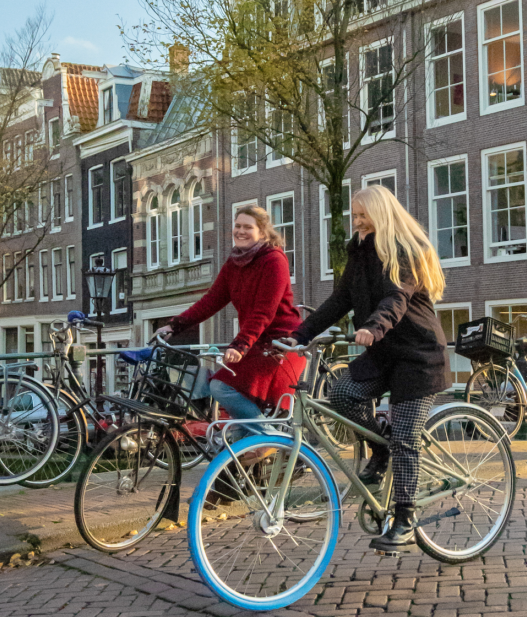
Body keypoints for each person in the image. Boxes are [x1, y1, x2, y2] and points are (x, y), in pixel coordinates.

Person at [289, 185, 448, 553]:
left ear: (381, 213)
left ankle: (405, 518)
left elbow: (396, 297)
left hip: (417, 355)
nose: (357, 222)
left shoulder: (407, 251)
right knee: (342, 394)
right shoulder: (357, 250)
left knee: (406, 438)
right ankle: (381, 449)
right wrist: (300, 334)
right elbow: (340, 299)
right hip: (382, 352)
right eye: (354, 216)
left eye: (363, 216)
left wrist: (373, 327)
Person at [156, 205, 306, 454]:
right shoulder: (235, 262)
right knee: (228, 405)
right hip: (256, 343)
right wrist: (175, 325)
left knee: (221, 386)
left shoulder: (274, 260)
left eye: (248, 227)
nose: (241, 231)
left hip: (280, 345)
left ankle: (276, 440)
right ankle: (263, 441)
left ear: (262, 231)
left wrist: (240, 344)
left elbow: (264, 311)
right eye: (238, 226)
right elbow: (211, 300)